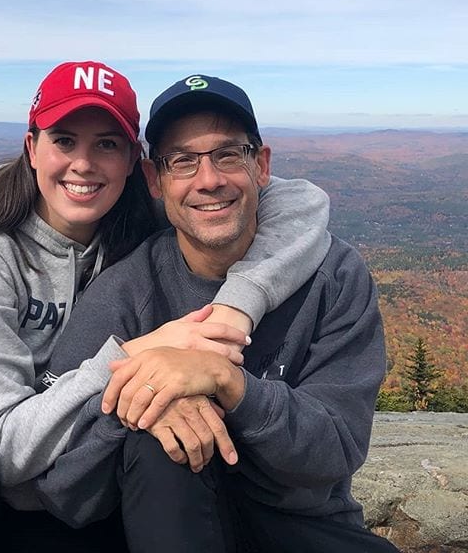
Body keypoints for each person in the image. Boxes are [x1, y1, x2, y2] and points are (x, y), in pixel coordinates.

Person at [0, 62, 331, 553]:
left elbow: (303, 203)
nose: (83, 164)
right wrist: (133, 354)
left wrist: (235, 310)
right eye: (64, 140)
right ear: (31, 148)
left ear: (133, 161)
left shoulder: (142, 223)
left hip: (64, 486)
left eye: (106, 143)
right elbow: (1, 446)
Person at [35, 74, 400, 552]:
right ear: (154, 180)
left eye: (228, 154)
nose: (209, 180)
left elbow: (336, 449)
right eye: (183, 161)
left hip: (299, 523)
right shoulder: (126, 291)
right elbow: (60, 484)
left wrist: (230, 385)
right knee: (158, 445)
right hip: (166, 520)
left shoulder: (333, 276)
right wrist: (142, 408)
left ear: (261, 166)